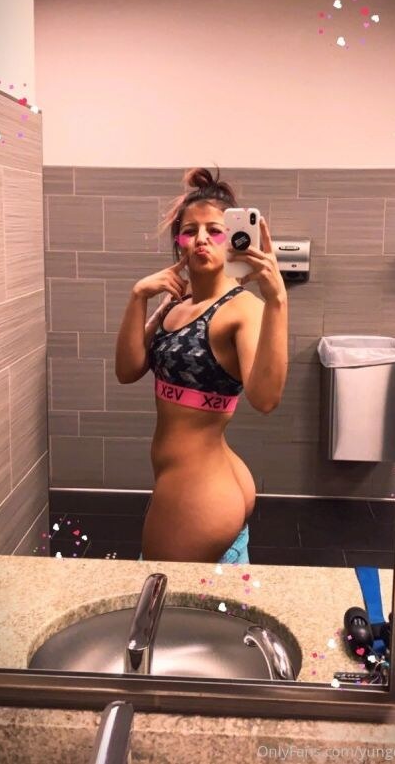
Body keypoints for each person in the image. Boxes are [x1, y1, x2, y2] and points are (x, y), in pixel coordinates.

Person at [115, 167, 288, 563]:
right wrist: (138, 296)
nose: (201, 239)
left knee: (160, 594)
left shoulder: (243, 308)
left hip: (200, 491)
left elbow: (265, 399)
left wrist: (278, 301)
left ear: (233, 240)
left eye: (215, 230)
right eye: (190, 231)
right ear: (179, 242)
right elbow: (127, 370)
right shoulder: (177, 303)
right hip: (196, 480)